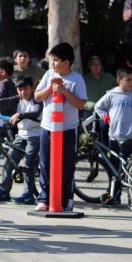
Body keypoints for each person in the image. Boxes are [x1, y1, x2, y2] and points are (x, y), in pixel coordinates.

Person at [34, 42, 87, 212]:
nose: (53, 64)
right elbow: (37, 96)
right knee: (45, 163)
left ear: (66, 62)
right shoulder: (49, 74)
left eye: (55, 60)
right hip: (47, 127)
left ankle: (66, 199)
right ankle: (44, 198)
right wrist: (50, 87)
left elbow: (81, 104)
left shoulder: (76, 79)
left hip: (68, 129)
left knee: (67, 165)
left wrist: (64, 91)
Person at [0, 76, 43, 204]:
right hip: (21, 135)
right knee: (9, 162)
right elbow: (3, 102)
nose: (23, 92)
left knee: (28, 165)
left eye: (26, 89)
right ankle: (3, 191)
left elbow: (36, 113)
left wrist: (21, 115)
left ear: (32, 88)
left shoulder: (37, 100)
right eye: (20, 89)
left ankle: (28, 195)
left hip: (36, 136)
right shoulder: (18, 99)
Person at [95, 66, 132, 205]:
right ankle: (115, 196)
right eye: (128, 80)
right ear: (119, 80)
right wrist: (105, 117)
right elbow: (98, 106)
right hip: (115, 137)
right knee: (116, 169)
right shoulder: (112, 94)